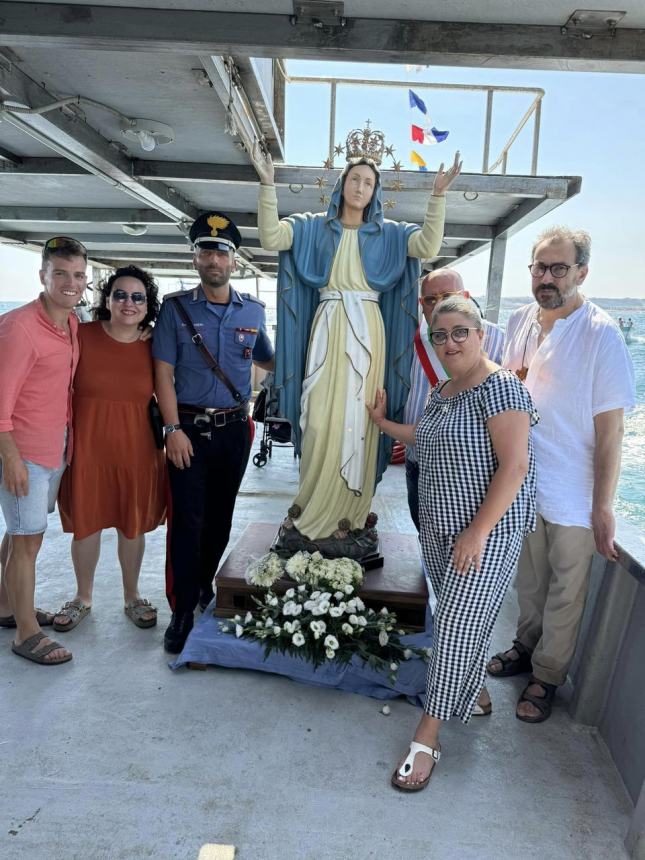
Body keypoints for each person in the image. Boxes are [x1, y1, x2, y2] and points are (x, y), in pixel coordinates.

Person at [367, 294, 538, 792]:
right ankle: (474, 692)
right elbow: (424, 435)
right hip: (441, 529)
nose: (449, 343)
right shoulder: (444, 388)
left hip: (485, 534)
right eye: (439, 335)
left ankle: (428, 734)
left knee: (457, 629)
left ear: (482, 335)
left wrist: (478, 531)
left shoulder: (501, 388)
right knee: (460, 619)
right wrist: (382, 425)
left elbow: (516, 466)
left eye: (460, 332)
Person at [253, 137, 461, 544]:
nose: (361, 187)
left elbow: (428, 246)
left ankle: (350, 511)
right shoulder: (312, 227)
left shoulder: (391, 235)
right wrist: (266, 184)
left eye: (369, 182)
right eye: (355, 179)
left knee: (358, 415)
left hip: (368, 330)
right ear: (342, 184)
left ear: (375, 191)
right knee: (317, 415)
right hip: (326, 326)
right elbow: (271, 239)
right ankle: (311, 505)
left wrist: (437, 197)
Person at [487, 227, 635, 723]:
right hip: (525, 481)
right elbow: (509, 385)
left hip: (574, 492)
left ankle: (547, 676)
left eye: (558, 268)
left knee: (566, 590)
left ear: (582, 273)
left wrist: (603, 506)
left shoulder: (601, 334)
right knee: (529, 583)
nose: (546, 278)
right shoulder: (522, 319)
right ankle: (525, 648)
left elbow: (611, 430)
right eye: (539, 267)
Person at [153, 211, 275, 653]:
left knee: (221, 516)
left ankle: (204, 585)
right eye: (205, 250)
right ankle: (182, 609)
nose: (213, 259)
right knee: (188, 520)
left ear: (234, 261)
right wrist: (171, 429)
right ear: (196, 259)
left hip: (234, 430)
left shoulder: (254, 311)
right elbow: (162, 375)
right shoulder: (176, 308)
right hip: (188, 430)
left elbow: (268, 360)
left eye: (221, 252)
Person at [54, 266, 165, 633]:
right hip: (88, 449)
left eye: (137, 297)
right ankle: (82, 597)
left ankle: (132, 596)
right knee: (85, 526)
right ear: (107, 299)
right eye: (120, 294)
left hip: (137, 450)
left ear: (147, 305)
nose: (128, 303)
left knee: (132, 527)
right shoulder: (79, 334)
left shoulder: (155, 343)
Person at [0, 236, 85, 664]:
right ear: (43, 276)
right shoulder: (19, 327)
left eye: (78, 275)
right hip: (25, 452)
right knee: (28, 542)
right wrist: (11, 457)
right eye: (61, 274)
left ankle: (4, 606)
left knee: (19, 533)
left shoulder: (70, 323)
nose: (71, 283)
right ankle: (26, 634)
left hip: (55, 448)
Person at [404, 269, 504, 530]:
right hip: (420, 463)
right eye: (430, 299)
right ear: (421, 304)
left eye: (448, 295)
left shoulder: (498, 340)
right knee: (426, 535)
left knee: (468, 549)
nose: (439, 304)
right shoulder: (409, 343)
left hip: (471, 472)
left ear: (466, 297)